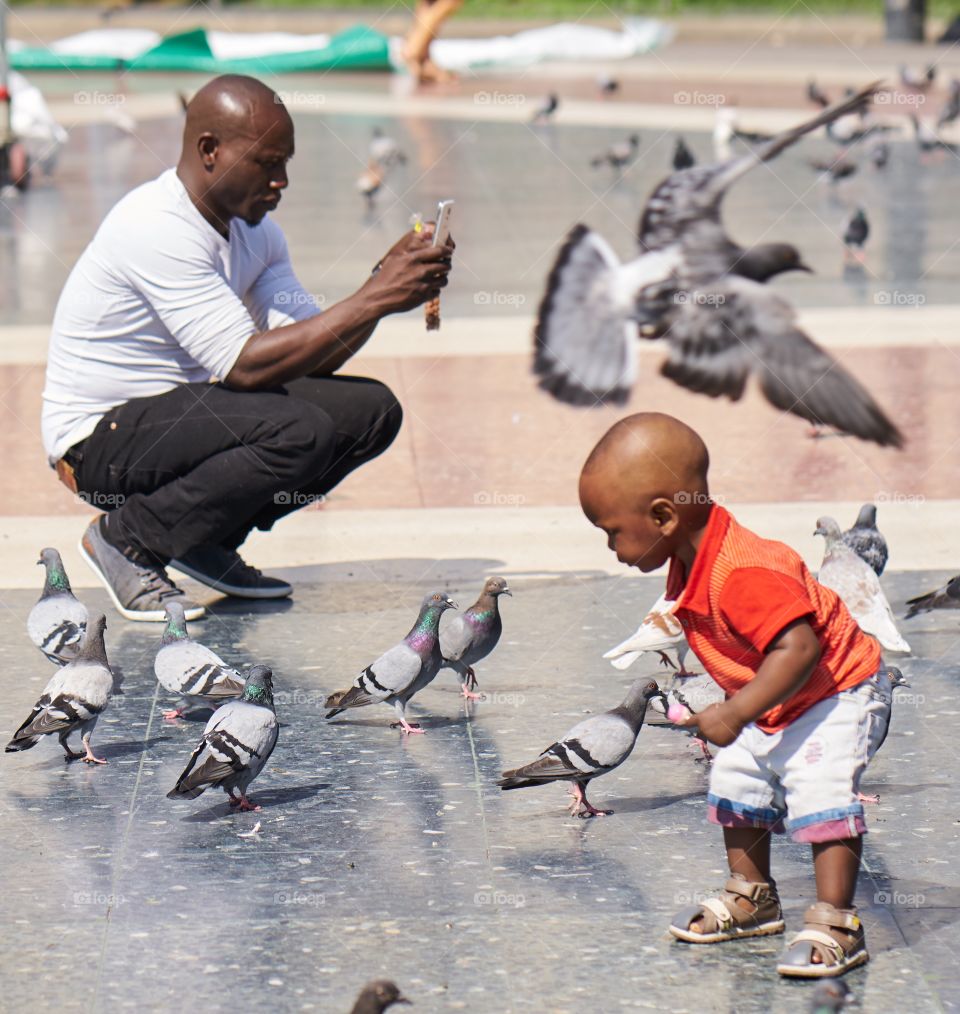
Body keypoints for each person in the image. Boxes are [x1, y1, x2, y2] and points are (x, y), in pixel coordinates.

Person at [41, 74, 453, 622]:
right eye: (267, 163)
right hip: (99, 444)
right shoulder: (156, 225)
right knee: (298, 428)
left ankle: (201, 539)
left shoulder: (257, 233)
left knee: (369, 412)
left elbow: (312, 351)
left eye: (286, 164)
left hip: (180, 421)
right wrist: (376, 294)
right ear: (210, 150)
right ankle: (127, 540)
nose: (281, 181)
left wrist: (383, 289)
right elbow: (244, 364)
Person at [578, 412, 893, 979]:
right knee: (736, 779)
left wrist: (736, 711)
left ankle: (838, 921)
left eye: (611, 531)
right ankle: (753, 897)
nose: (611, 547)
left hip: (834, 691)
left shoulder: (742, 570)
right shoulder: (688, 557)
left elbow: (798, 649)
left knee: (820, 791)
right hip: (775, 696)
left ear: (663, 516)